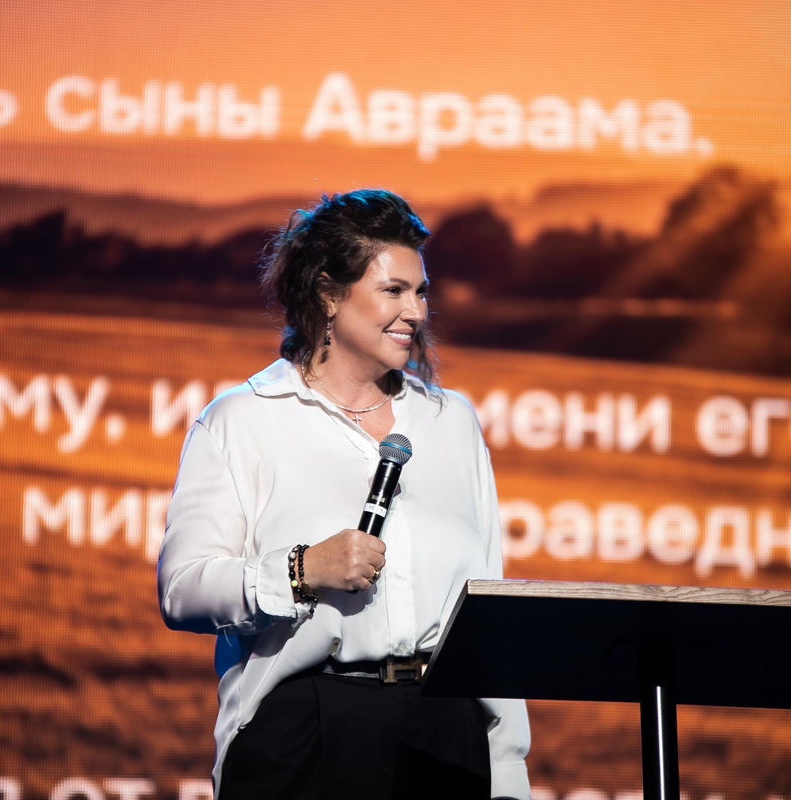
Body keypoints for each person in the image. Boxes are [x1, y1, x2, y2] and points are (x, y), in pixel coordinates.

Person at [156, 189, 531, 799]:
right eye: (394, 290)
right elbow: (182, 590)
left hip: (445, 732)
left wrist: (509, 769)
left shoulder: (451, 421)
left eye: (421, 291)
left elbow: (486, 610)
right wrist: (302, 570)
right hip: (307, 729)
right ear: (329, 294)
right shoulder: (244, 419)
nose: (416, 311)